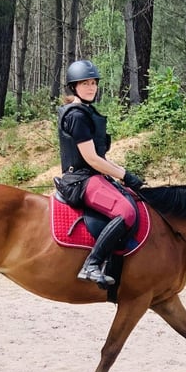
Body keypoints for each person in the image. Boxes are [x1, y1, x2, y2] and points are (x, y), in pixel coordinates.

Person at [56, 59, 145, 286]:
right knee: (126, 212)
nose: (91, 87)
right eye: (85, 83)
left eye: (94, 83)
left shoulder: (87, 111)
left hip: (92, 176)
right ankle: (93, 264)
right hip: (81, 181)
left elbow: (101, 158)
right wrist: (124, 175)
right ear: (74, 87)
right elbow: (91, 159)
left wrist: (123, 174)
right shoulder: (76, 116)